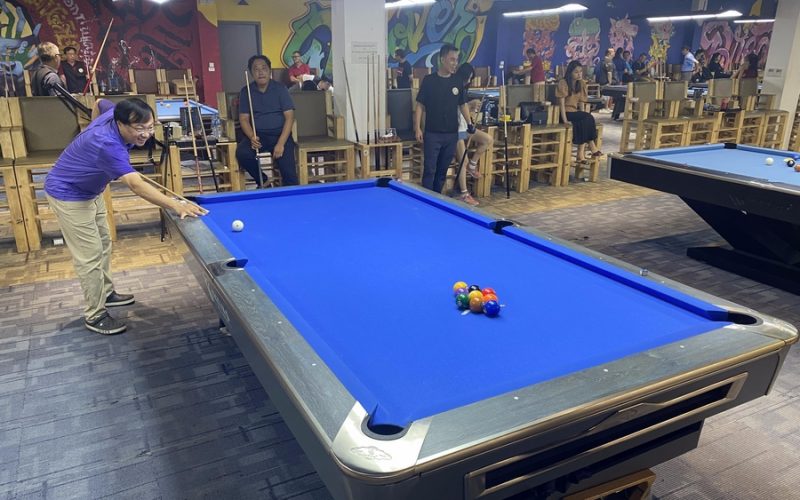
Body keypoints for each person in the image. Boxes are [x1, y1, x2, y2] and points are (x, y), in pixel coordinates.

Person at [44, 98, 206, 335]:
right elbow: (136, 185)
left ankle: (106, 293)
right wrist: (174, 204)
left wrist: (91, 136)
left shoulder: (114, 112)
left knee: (104, 243)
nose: (146, 134)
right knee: (89, 257)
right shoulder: (107, 144)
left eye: (150, 127)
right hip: (69, 194)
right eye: (139, 129)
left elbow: (99, 102)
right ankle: (95, 315)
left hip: (92, 189)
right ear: (120, 124)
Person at [414, 43, 475, 194]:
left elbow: (463, 104)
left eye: (457, 60)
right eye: (452, 59)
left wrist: (469, 123)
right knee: (430, 170)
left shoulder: (457, 81)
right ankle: (426, 200)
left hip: (451, 134)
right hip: (432, 133)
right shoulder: (429, 80)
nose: (455, 63)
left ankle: (436, 198)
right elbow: (420, 105)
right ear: (442, 59)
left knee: (442, 171)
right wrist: (417, 128)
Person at [237, 55, 298, 187]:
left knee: (290, 177)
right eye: (256, 69)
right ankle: (263, 181)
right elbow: (244, 119)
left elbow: (290, 117)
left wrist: (281, 144)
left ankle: (289, 197)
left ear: (270, 71)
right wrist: (252, 136)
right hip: (259, 136)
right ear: (251, 73)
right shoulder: (246, 91)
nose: (260, 72)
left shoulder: (280, 89)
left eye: (264, 68)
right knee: (242, 154)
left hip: (280, 135)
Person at [452, 63, 493, 206]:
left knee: (487, 139)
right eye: (467, 78)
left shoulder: (464, 89)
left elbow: (464, 110)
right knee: (463, 160)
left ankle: (472, 165)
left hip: (465, 127)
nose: (469, 81)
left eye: (470, 78)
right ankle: (464, 194)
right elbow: (453, 109)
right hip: (456, 129)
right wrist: (469, 105)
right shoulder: (454, 87)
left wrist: (471, 110)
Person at [557, 60, 601, 162]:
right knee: (587, 118)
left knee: (586, 120)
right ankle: (590, 148)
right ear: (570, 72)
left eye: (580, 71)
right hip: (564, 113)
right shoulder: (563, 83)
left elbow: (581, 102)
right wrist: (565, 121)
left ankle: (581, 154)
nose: (579, 74)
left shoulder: (581, 83)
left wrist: (583, 114)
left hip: (574, 112)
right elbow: (561, 105)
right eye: (576, 72)